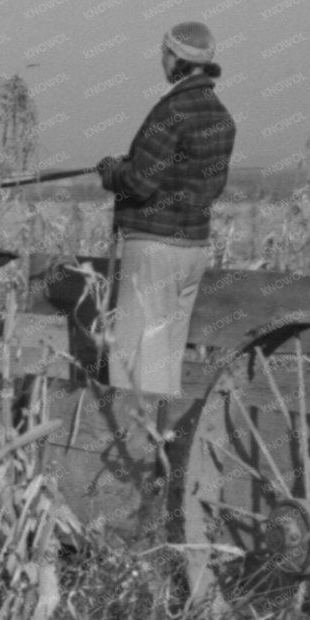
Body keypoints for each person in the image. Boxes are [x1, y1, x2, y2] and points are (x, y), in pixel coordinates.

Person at [95, 22, 237, 396]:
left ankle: (135, 432)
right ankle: (163, 428)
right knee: (165, 360)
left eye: (164, 53)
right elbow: (204, 184)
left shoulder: (172, 110)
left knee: (133, 361)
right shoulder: (220, 115)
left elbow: (139, 182)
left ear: (174, 57)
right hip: (194, 249)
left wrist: (111, 172)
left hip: (154, 249)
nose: (162, 60)